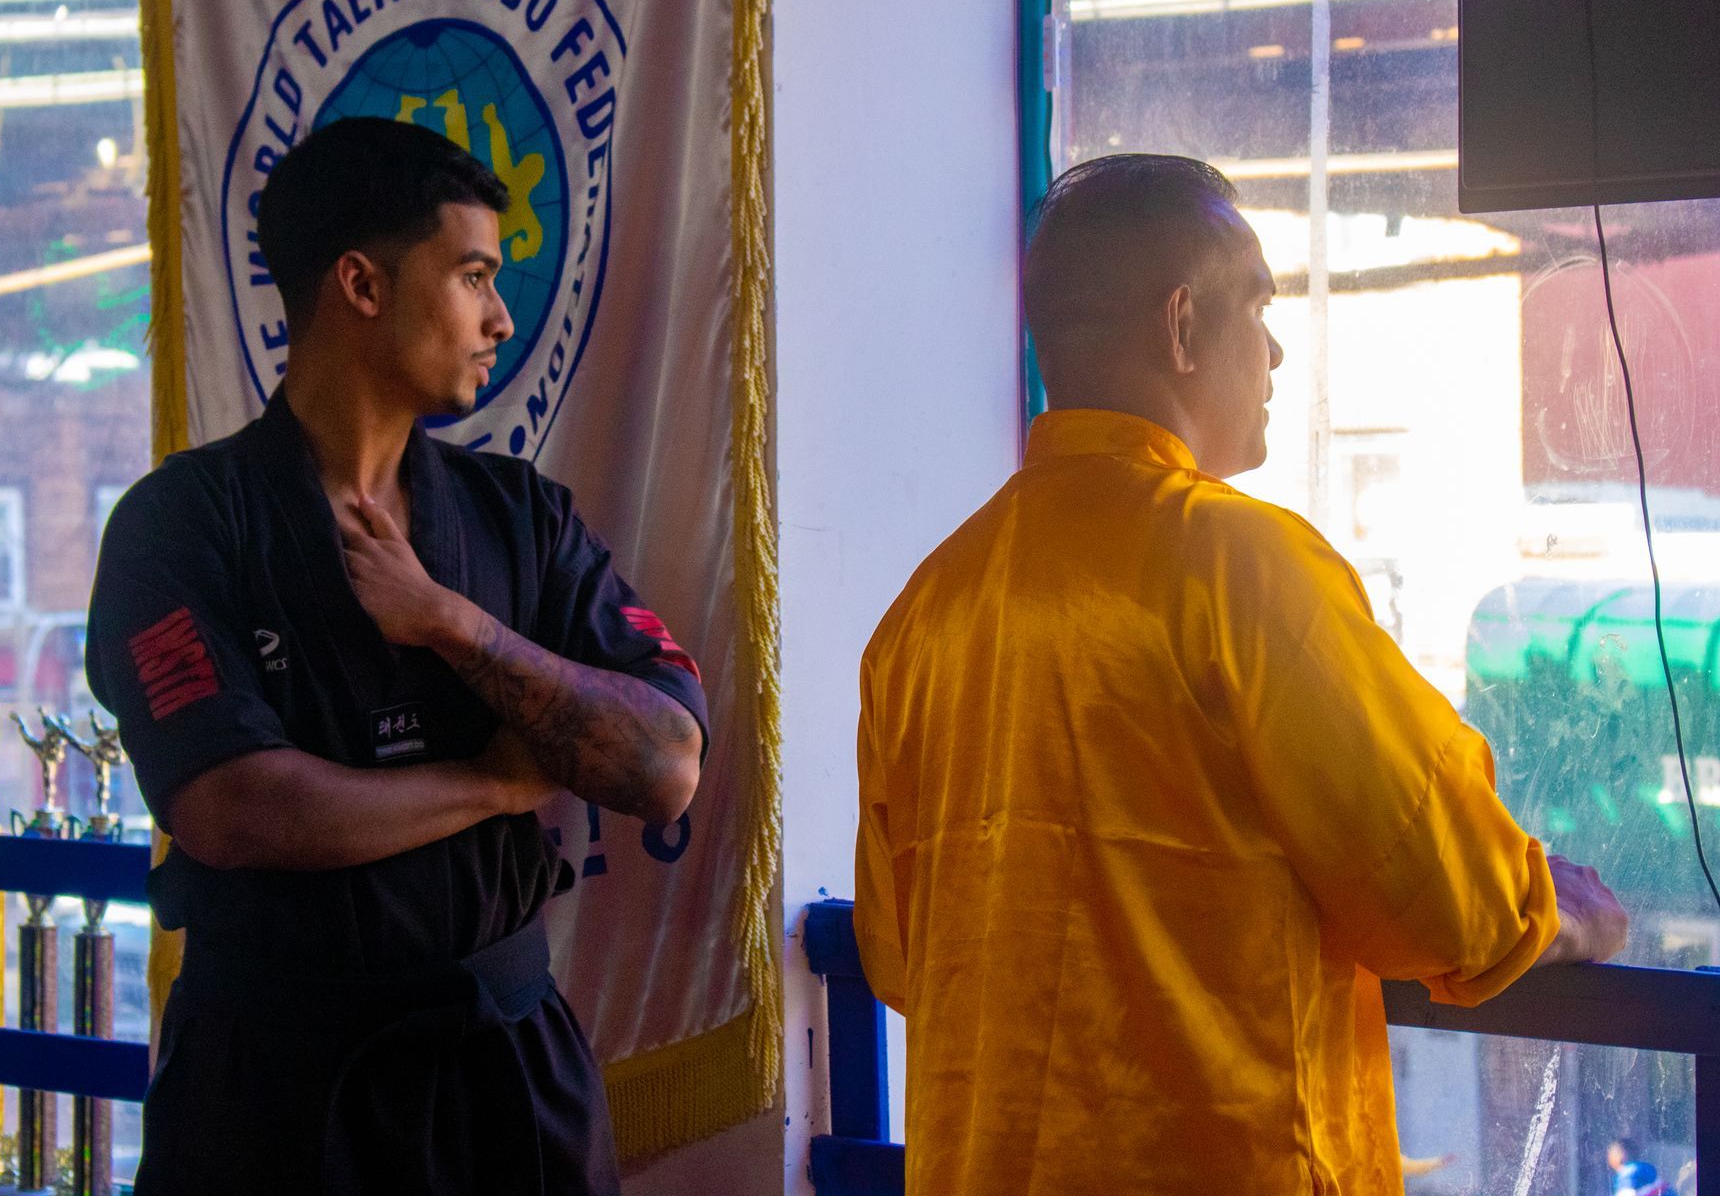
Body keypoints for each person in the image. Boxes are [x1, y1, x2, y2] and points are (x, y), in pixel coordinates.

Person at [852, 154, 1629, 1193]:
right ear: (1181, 328)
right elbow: (1446, 888)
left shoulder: (922, 614)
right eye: (1257, 308)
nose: (1271, 351)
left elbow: (904, 959)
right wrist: (1560, 904)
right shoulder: (1245, 568)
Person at [86, 116, 708, 1194]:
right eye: (471, 275)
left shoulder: (522, 518)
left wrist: (454, 624)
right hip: (277, 1090)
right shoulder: (183, 526)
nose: (500, 318)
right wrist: (496, 779)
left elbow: (663, 766)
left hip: (508, 1078)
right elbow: (235, 808)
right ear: (362, 285)